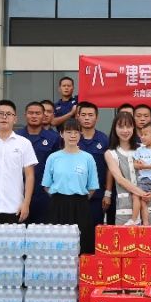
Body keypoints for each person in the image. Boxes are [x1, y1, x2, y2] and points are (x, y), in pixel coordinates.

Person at [42, 118, 99, 252]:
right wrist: (60, 196)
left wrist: (79, 199)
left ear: (81, 134)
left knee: (82, 242)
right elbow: (46, 185)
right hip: (58, 204)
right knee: (58, 243)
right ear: (61, 134)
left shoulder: (88, 158)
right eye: (68, 132)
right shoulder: (53, 157)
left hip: (81, 204)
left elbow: (92, 186)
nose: (73, 136)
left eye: (76, 132)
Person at [105, 113, 151, 226]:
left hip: (146, 203)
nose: (125, 130)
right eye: (121, 126)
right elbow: (119, 179)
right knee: (126, 242)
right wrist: (142, 193)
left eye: (128, 126)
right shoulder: (110, 153)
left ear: (134, 128)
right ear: (115, 128)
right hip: (125, 206)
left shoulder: (143, 149)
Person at [18, 100, 60, 223]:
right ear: (25, 115)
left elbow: (56, 166)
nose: (34, 116)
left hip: (44, 194)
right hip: (19, 191)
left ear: (43, 116)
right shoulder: (16, 136)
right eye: (31, 113)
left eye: (38, 113)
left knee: (42, 233)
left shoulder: (54, 138)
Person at [75, 102, 109, 232]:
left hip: (97, 195)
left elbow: (109, 169)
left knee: (95, 231)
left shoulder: (104, 139)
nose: (87, 118)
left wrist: (107, 193)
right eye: (83, 115)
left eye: (90, 115)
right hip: (75, 194)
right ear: (78, 116)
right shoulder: (73, 138)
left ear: (97, 117)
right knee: (75, 231)